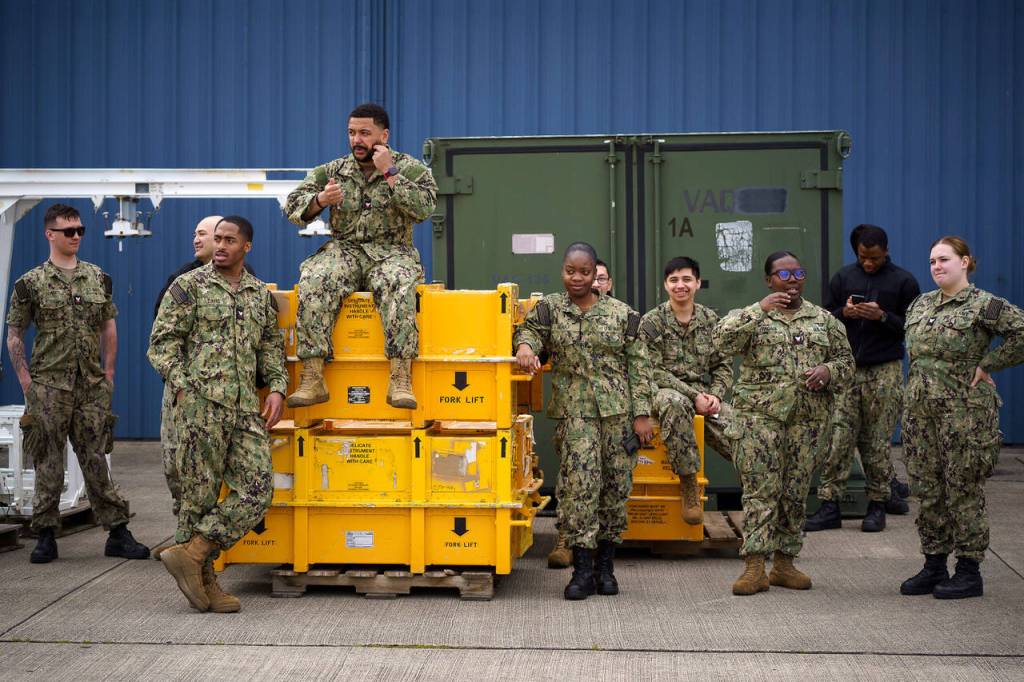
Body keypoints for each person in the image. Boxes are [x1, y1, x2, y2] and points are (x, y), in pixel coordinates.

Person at [148, 216, 287, 613]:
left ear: (247, 247)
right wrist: (183, 386)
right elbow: (161, 344)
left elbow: (270, 347)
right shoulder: (188, 287)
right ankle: (206, 583)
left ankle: (191, 554)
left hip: (244, 410)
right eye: (218, 239)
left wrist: (277, 387)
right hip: (200, 408)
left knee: (258, 491)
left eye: (230, 240)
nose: (221, 245)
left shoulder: (259, 294)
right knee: (198, 499)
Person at [6, 203, 149, 564]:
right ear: (49, 234)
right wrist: (26, 382)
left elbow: (108, 327)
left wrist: (109, 375)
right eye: (68, 231)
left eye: (80, 230)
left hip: (90, 385)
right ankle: (45, 534)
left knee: (95, 458)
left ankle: (117, 532)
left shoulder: (98, 278)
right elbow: (14, 334)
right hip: (48, 385)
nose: (76, 237)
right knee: (48, 461)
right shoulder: (30, 283)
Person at [514, 242, 653, 600]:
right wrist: (526, 348)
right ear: (563, 271)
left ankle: (606, 569)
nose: (577, 278)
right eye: (570, 271)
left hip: (618, 415)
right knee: (579, 489)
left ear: (596, 276)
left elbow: (640, 367)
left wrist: (642, 415)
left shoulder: (623, 315)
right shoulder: (550, 310)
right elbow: (529, 332)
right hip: (575, 415)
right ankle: (582, 571)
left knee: (615, 488)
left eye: (585, 272)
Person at [714, 251, 853, 596]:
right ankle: (754, 567)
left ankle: (784, 564)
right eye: (783, 274)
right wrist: (758, 310)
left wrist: (829, 371)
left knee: (794, 492)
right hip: (758, 420)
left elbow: (847, 363)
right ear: (769, 280)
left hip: (807, 422)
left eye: (798, 273)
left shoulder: (824, 320)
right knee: (760, 491)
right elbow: (720, 341)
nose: (792, 281)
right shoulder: (753, 315)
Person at [282, 102, 437, 410]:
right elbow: (293, 206)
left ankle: (400, 378)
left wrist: (390, 172)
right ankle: (313, 377)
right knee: (315, 277)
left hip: (392, 251)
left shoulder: (409, 168)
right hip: (346, 249)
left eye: (365, 133)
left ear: (384, 135)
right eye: (352, 133)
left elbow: (425, 208)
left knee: (400, 282)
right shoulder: (332, 171)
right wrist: (320, 200)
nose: (357, 140)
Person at [899, 236, 1024, 600]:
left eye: (944, 260)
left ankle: (969, 570)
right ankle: (934, 564)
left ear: (965, 262)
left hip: (964, 414)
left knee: (963, 488)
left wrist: (989, 364)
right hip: (921, 413)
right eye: (932, 261)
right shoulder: (921, 304)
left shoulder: (985, 304)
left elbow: (1021, 333)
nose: (936, 266)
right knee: (927, 488)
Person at [806, 224, 919, 533]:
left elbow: (914, 327)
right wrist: (846, 313)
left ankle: (878, 505)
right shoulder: (844, 278)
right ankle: (829, 505)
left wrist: (882, 316)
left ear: (886, 252)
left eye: (875, 258)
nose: (869, 263)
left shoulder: (904, 281)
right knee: (838, 437)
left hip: (884, 369)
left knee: (877, 441)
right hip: (847, 369)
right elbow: (824, 319)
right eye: (863, 257)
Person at [152, 215, 258, 535]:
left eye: (204, 234)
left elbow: (259, 338)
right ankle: (185, 533)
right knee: (178, 466)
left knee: (241, 480)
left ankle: (198, 541)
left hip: (231, 399)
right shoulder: (183, 281)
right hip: (188, 391)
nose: (197, 240)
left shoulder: (250, 283)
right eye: (195, 234)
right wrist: (182, 387)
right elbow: (162, 340)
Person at [640, 256, 737, 525]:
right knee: (674, 403)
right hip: (663, 392)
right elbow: (653, 371)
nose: (680, 285)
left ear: (697, 283)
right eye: (674, 280)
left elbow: (723, 365)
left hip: (704, 394)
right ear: (665, 285)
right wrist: (695, 397)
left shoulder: (710, 320)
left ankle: (759, 497)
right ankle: (689, 484)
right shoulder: (652, 322)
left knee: (744, 432)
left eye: (686, 279)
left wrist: (715, 396)